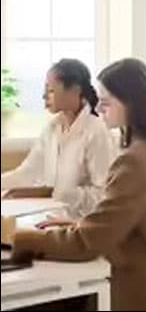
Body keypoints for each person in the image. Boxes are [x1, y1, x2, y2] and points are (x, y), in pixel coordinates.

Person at [8, 58, 146, 311]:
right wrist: (79, 225)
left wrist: (20, 239)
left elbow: (87, 244)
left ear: (132, 103)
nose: (98, 107)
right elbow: (128, 223)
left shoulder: (135, 161)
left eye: (106, 101)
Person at [1, 59, 115, 219]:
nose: (44, 96)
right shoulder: (52, 129)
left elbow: (105, 194)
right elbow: (26, 173)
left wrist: (61, 193)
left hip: (82, 224)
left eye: (51, 90)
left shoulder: (96, 132)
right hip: (50, 218)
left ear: (74, 90)